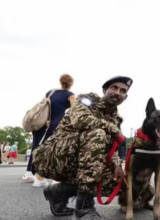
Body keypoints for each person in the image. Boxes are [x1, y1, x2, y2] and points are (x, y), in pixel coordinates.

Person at [32, 76, 132, 219]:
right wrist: (113, 129)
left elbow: (110, 147)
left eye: (122, 91)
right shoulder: (87, 100)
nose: (117, 92)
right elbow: (80, 119)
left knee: (115, 182)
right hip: (52, 157)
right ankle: (83, 208)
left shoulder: (116, 119)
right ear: (105, 90)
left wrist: (117, 165)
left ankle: (58, 192)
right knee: (97, 134)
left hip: (81, 161)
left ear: (125, 97)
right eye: (114, 88)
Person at [21, 74, 75, 186]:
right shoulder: (70, 95)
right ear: (71, 84)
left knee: (36, 148)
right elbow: (75, 110)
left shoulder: (50, 92)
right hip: (55, 124)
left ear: (60, 82)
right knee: (53, 150)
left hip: (41, 123)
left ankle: (29, 173)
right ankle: (45, 177)